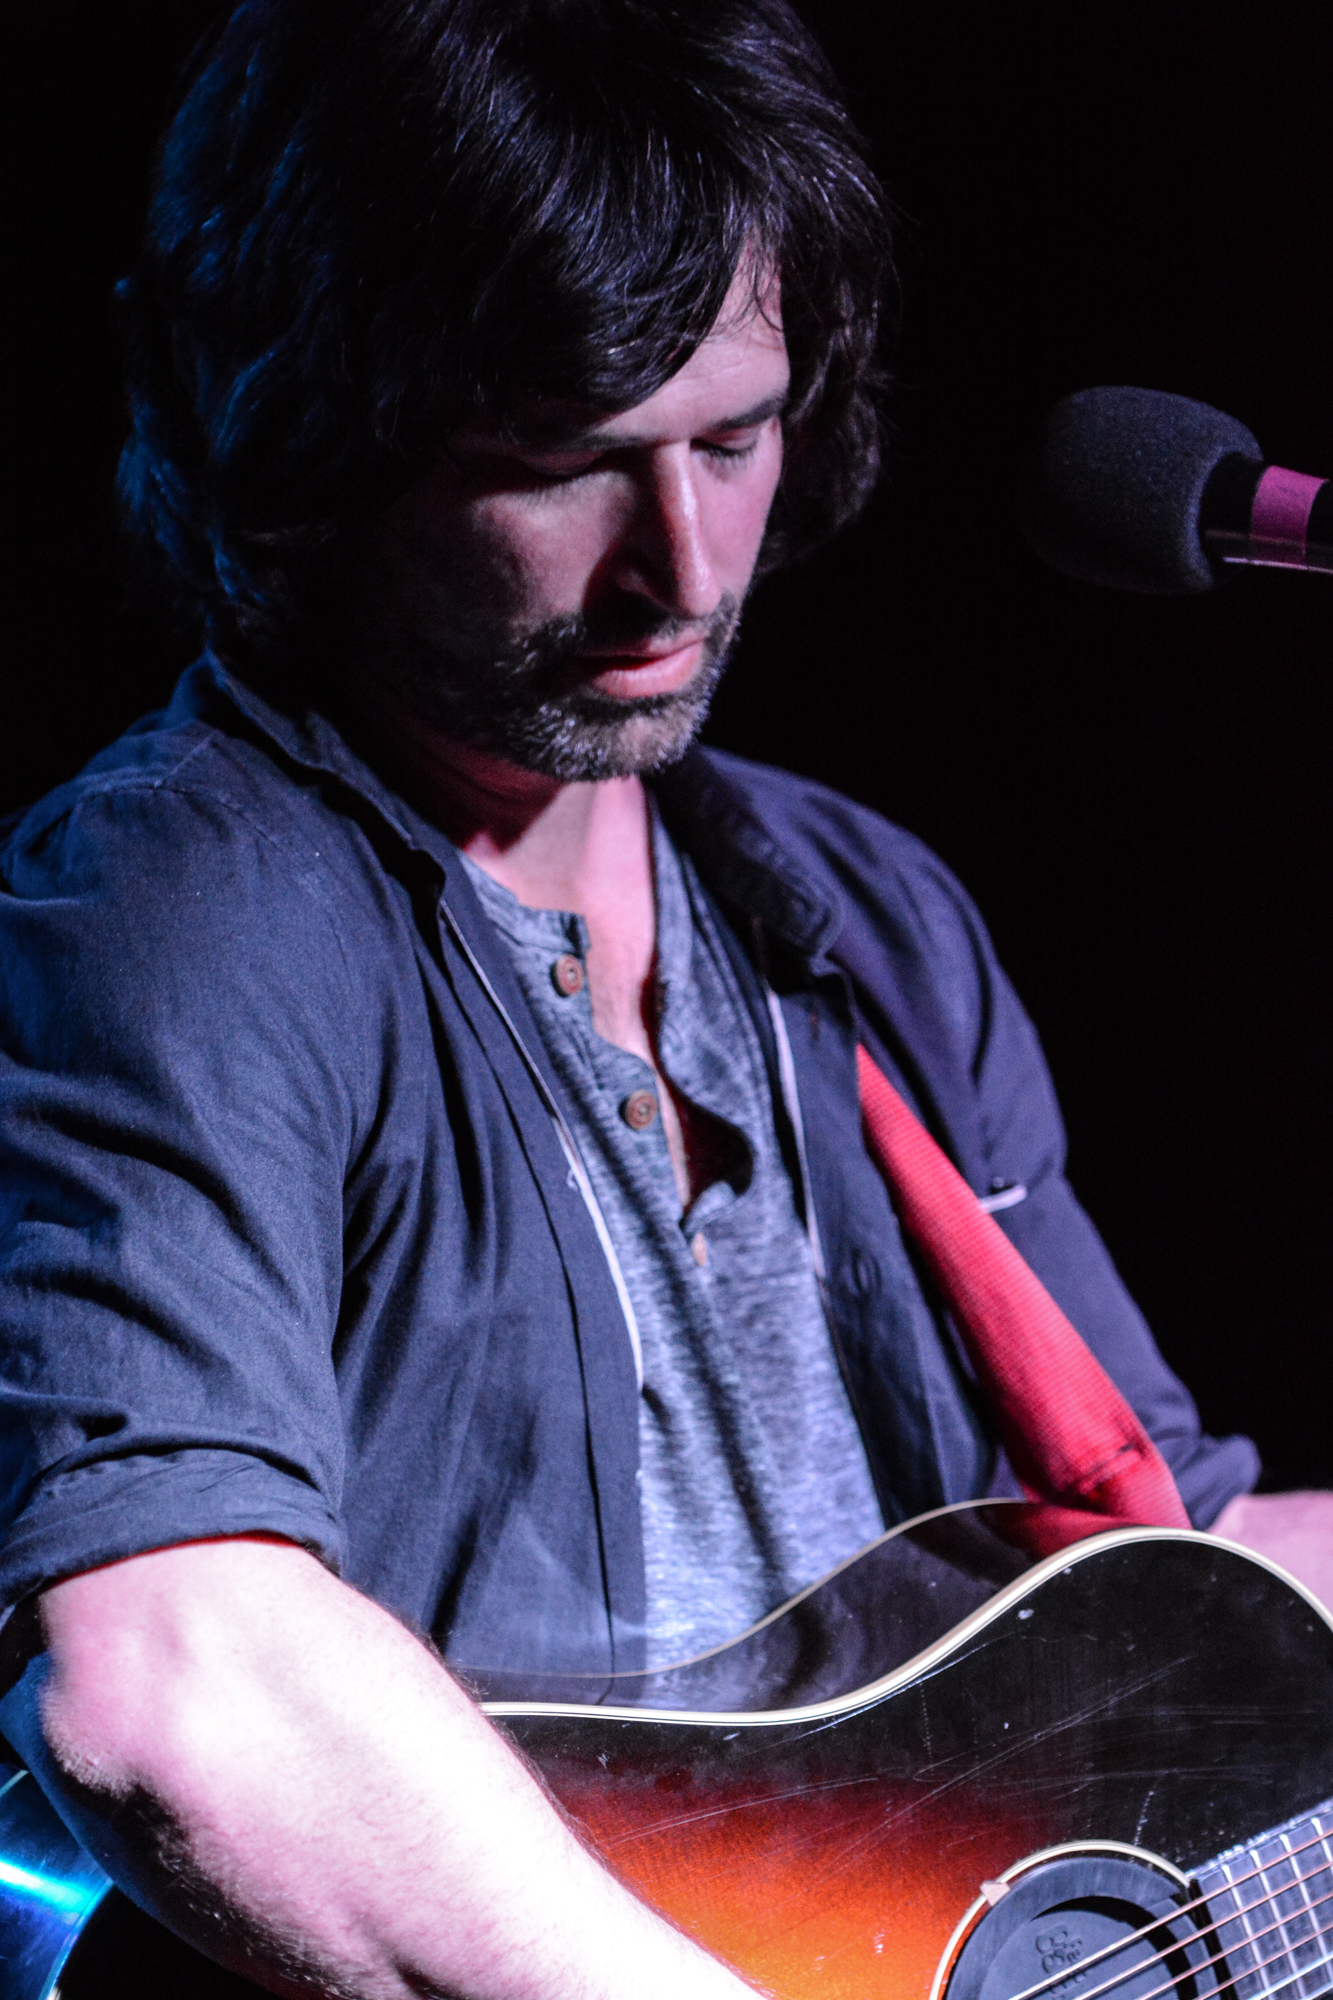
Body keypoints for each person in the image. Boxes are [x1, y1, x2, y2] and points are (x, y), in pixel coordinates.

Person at [0, 1, 1329, 1994]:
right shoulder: (185, 909)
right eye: (562, 463)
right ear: (315, 435)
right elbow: (175, 1671)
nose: (685, 571)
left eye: (733, 438)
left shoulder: (864, 917)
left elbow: (1170, 1570)